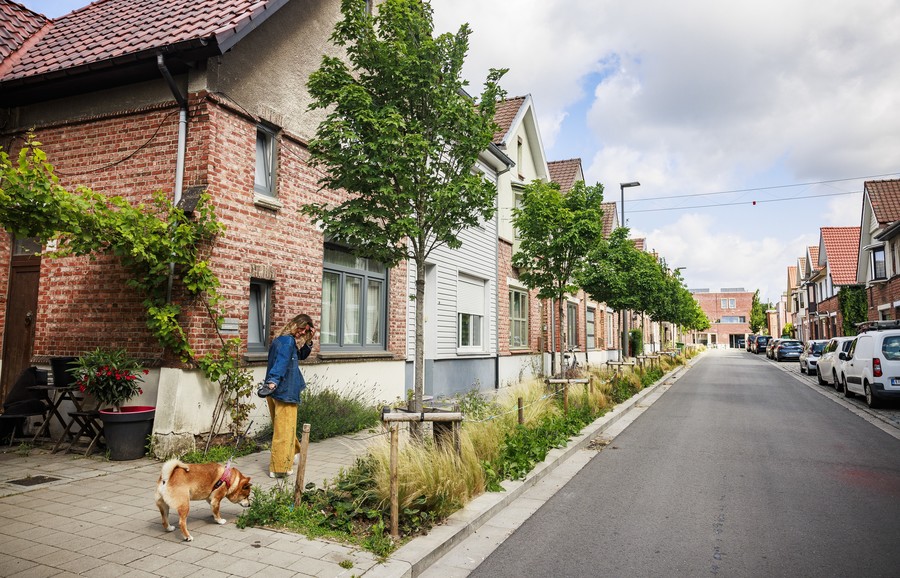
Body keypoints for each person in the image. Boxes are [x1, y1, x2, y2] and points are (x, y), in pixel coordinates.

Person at [263, 313, 316, 478]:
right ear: (294, 324)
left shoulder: (281, 339)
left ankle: (292, 453)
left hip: (275, 391)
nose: (301, 332)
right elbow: (281, 364)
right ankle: (279, 468)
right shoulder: (287, 342)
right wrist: (273, 381)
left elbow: (299, 356)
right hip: (284, 391)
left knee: (286, 427)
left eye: (305, 331)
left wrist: (308, 341)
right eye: (301, 328)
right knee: (284, 431)